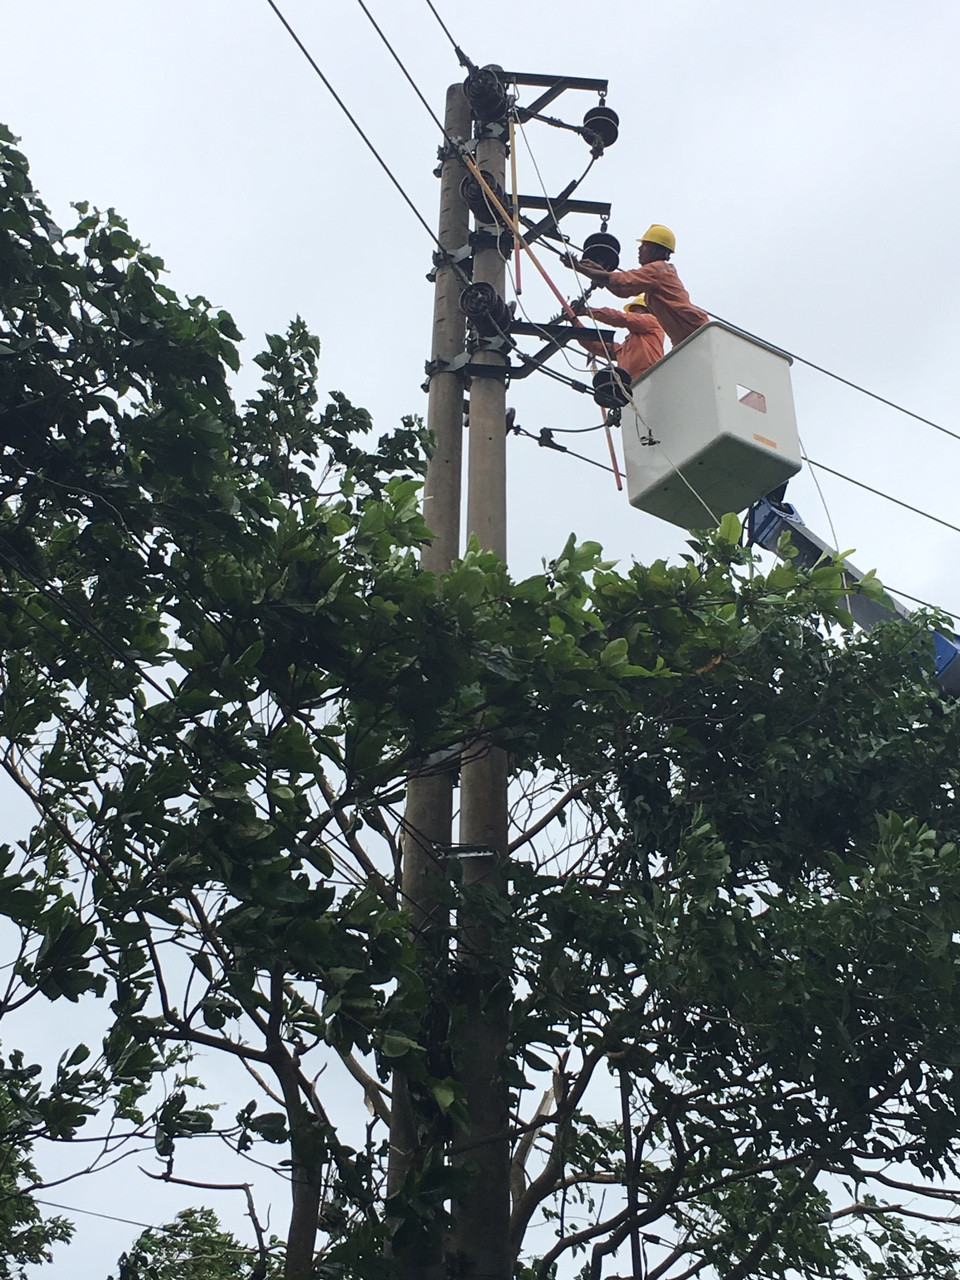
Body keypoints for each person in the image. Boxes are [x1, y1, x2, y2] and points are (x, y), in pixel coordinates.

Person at [565, 223, 708, 348]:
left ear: (657, 250)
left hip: (695, 330)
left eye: (644, 245)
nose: (639, 249)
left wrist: (579, 268)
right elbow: (621, 288)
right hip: (687, 337)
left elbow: (622, 283)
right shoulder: (656, 277)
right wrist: (597, 271)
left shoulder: (657, 270)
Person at [572, 293, 665, 382]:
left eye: (635, 311)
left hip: (652, 378)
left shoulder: (653, 321)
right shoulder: (625, 348)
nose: (632, 314)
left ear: (647, 311)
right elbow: (596, 346)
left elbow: (622, 318)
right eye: (631, 312)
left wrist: (588, 311)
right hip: (632, 386)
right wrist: (575, 322)